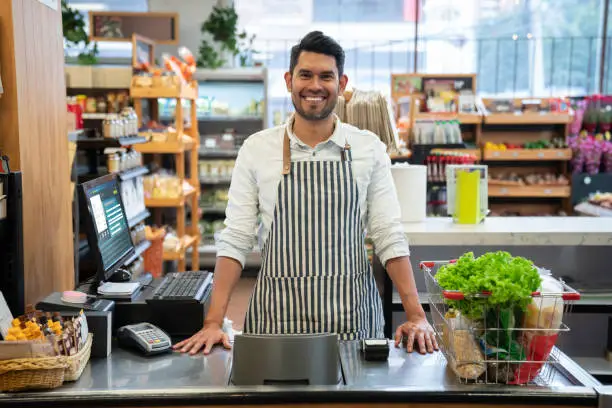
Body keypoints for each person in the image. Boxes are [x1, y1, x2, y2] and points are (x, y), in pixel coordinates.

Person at [174, 31, 438, 356]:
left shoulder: (369, 148)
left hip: (351, 321)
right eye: (305, 75)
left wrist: (416, 315)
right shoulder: (257, 149)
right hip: (277, 320)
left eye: (326, 76)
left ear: (341, 85)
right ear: (289, 80)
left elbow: (388, 235)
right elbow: (236, 239)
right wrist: (214, 321)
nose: (315, 85)